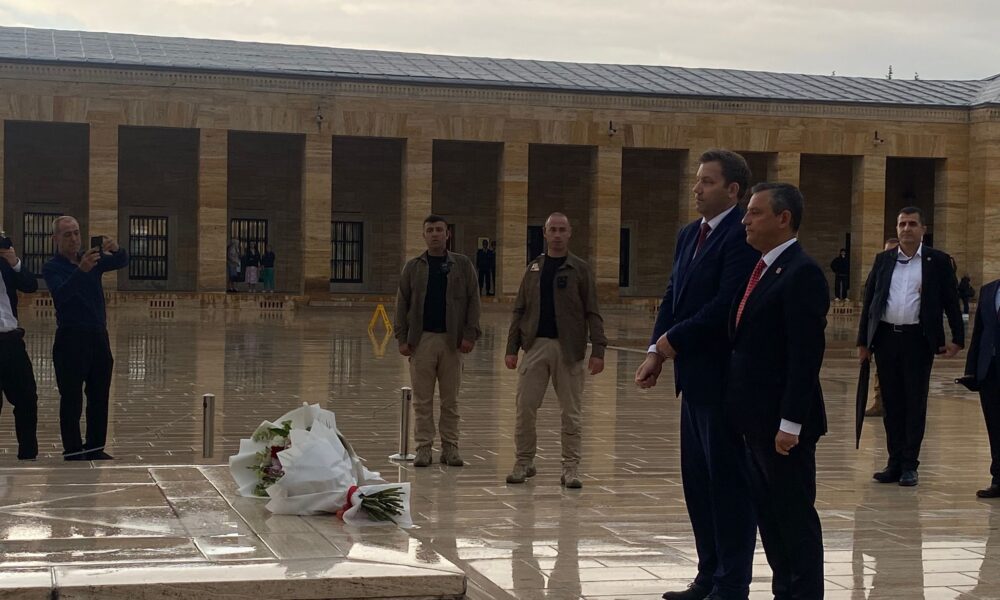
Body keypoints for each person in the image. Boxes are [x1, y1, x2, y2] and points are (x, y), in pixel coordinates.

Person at [635, 149, 758, 600]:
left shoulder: (742, 236)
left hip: (724, 380)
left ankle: (731, 582)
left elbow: (725, 304)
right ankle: (707, 575)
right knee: (699, 483)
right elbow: (673, 295)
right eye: (697, 180)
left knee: (728, 484)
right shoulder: (690, 234)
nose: (697, 188)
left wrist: (675, 340)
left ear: (733, 189)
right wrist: (656, 350)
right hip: (693, 381)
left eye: (707, 181)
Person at [728, 182, 829, 600]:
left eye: (755, 212)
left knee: (793, 520)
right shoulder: (763, 269)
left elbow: (805, 356)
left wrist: (791, 423)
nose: (745, 220)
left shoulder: (802, 273)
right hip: (756, 421)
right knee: (771, 520)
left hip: (782, 427)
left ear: (784, 218)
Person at [857, 207, 964, 487]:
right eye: (902, 224)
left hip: (918, 339)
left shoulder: (936, 261)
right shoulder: (883, 260)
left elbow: (951, 301)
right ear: (896, 228)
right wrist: (863, 342)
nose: (906, 228)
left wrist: (958, 338)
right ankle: (893, 461)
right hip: (886, 338)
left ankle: (909, 464)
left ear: (923, 229)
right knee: (891, 403)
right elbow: (870, 302)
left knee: (914, 402)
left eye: (912, 224)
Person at [504, 212, 606, 489]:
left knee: (571, 412)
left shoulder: (580, 269)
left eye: (562, 229)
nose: (558, 235)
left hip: (569, 348)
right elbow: (519, 309)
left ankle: (570, 467)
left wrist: (598, 350)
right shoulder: (533, 269)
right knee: (525, 407)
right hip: (535, 345)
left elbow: (593, 310)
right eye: (553, 230)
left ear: (569, 233)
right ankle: (524, 461)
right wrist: (512, 348)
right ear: (545, 233)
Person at [394, 215, 481, 467]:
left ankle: (450, 446)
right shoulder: (413, 267)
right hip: (422, 340)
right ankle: (423, 447)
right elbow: (401, 303)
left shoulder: (462, 265)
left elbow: (473, 301)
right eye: (430, 230)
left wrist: (470, 334)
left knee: (450, 400)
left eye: (439, 230)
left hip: (452, 341)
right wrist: (402, 337)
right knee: (422, 400)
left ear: (447, 234)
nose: (435, 234)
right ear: (424, 235)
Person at [43, 216, 129, 461]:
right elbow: (61, 295)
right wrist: (81, 271)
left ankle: (95, 447)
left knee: (99, 395)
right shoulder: (52, 267)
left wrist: (116, 249)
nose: (74, 239)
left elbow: (122, 261)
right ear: (55, 239)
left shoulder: (91, 259)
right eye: (67, 234)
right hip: (71, 338)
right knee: (71, 396)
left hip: (98, 336)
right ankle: (72, 450)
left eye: (76, 233)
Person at [0, 235, 40, 460]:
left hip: (11, 340)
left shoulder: (5, 264)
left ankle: (28, 453)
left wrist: (14, 262)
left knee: (27, 397)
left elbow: (30, 285)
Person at [962, 277, 1000, 498]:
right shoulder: (988, 290)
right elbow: (979, 333)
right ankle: (998, 478)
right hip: (990, 369)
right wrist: (972, 370)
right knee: (995, 425)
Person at [864, 238, 899, 418]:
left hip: (901, 330)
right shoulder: (878, 270)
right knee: (881, 368)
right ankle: (879, 402)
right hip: (880, 328)